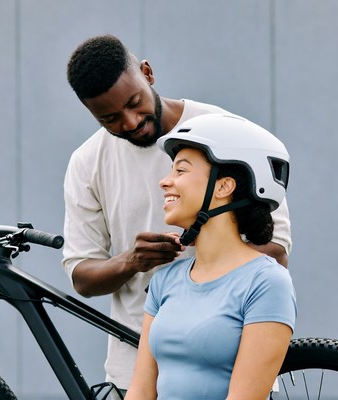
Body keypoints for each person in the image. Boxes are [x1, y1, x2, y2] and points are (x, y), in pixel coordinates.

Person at [62, 34, 292, 393]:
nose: (130, 121)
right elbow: (82, 275)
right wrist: (131, 262)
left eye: (134, 102)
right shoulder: (87, 162)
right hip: (135, 363)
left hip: (228, 357)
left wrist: (202, 262)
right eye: (109, 118)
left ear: (147, 73)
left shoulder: (225, 131)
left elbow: (275, 251)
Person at [125, 113, 297, 400]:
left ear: (223, 186)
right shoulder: (166, 280)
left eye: (180, 171)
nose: (165, 182)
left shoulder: (267, 282)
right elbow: (140, 391)